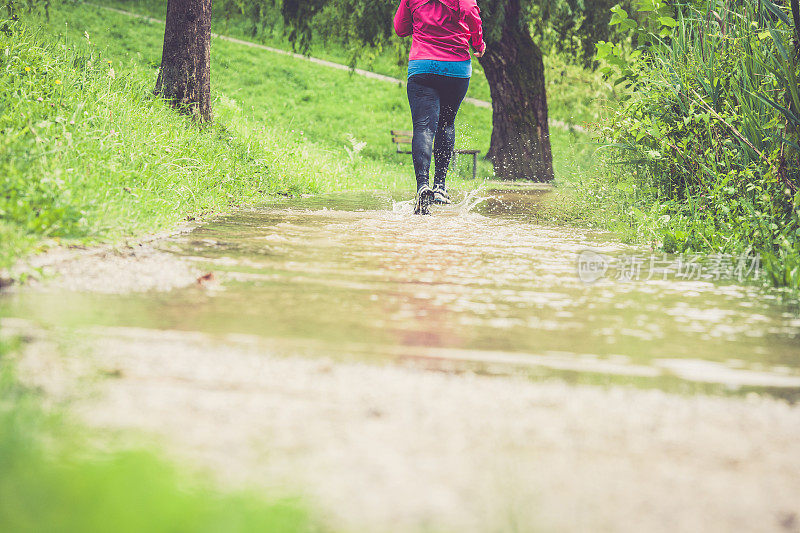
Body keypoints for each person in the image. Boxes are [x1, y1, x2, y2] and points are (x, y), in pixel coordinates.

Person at [394, 0, 486, 215]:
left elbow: (400, 29)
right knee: (446, 123)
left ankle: (422, 186)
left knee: (423, 127)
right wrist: (478, 43)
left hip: (422, 65)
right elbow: (470, 10)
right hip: (456, 68)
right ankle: (439, 187)